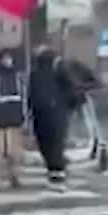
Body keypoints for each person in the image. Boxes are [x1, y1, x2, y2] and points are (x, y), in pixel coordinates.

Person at [0, 49, 29, 189]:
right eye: (4, 58)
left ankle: (15, 176)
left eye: (9, 58)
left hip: (15, 119)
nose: (7, 61)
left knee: (15, 152)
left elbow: (24, 98)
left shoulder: (18, 77)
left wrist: (24, 117)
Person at [27, 50, 74, 184]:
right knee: (57, 141)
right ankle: (58, 169)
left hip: (39, 115)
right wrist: (69, 104)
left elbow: (30, 94)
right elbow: (70, 88)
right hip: (57, 112)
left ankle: (52, 167)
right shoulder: (59, 73)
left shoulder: (34, 74)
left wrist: (30, 110)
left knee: (45, 142)